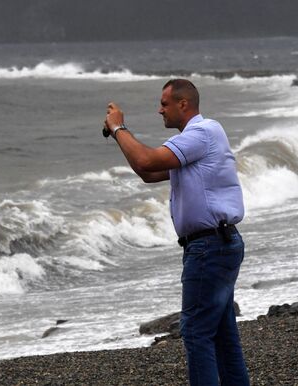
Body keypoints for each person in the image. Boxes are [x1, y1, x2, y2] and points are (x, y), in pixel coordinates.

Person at [104, 79, 249, 386]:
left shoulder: (202, 133)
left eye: (164, 104)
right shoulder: (198, 141)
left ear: (184, 104)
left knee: (196, 333)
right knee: (222, 335)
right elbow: (147, 172)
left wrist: (119, 128)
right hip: (218, 243)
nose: (160, 110)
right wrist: (120, 135)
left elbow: (146, 159)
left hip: (210, 247)